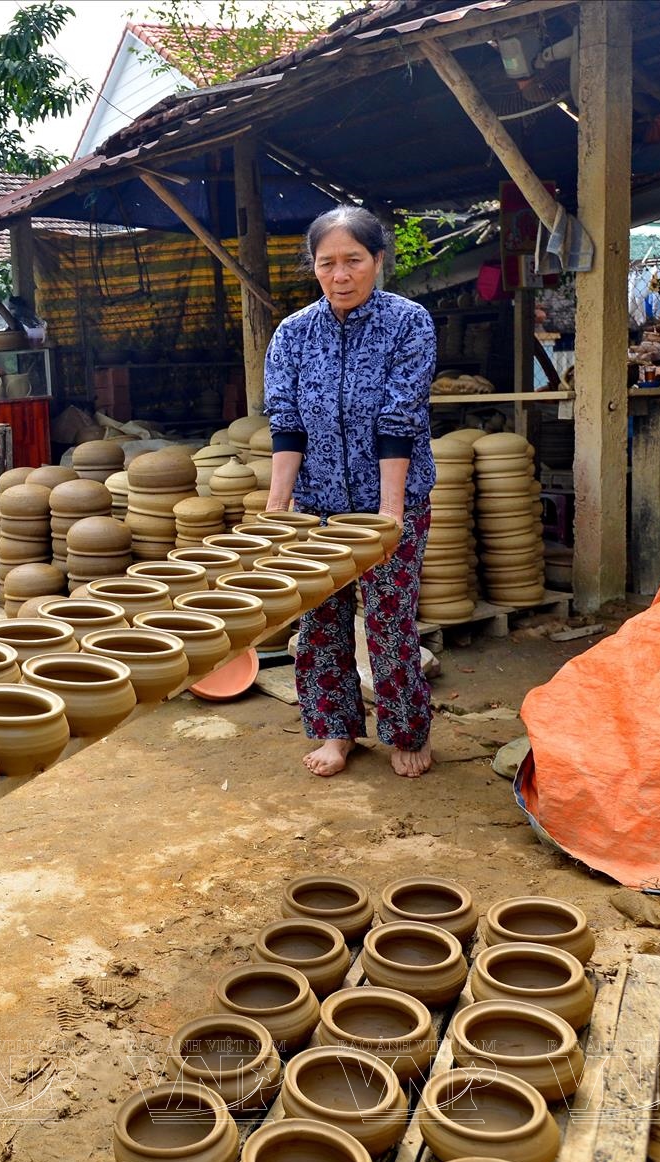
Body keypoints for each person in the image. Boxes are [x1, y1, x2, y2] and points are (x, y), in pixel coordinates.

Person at [264, 206, 437, 780]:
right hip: (317, 506)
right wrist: (276, 509)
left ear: (377, 261)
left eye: (353, 261)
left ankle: (405, 731)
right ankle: (336, 731)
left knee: (390, 620)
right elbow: (286, 423)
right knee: (319, 620)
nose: (341, 275)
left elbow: (399, 417)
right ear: (314, 268)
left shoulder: (408, 324)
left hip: (392, 499)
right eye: (327, 263)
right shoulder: (292, 334)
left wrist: (388, 515)